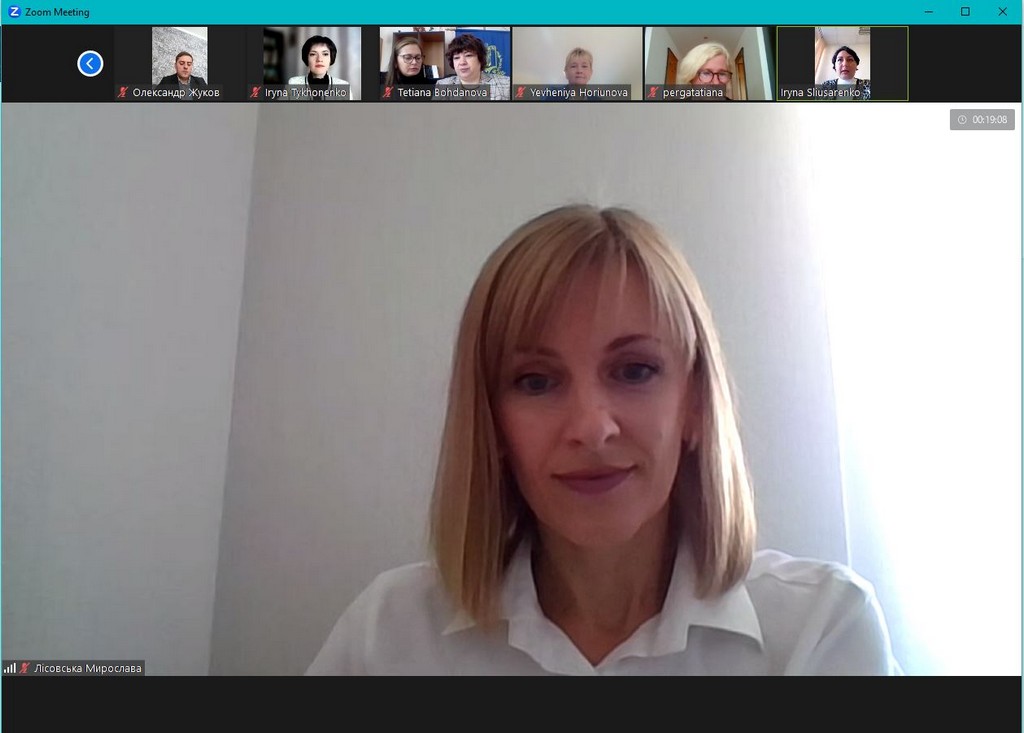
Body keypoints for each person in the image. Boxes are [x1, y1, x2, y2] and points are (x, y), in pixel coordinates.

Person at [306, 205, 901, 675]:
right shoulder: (387, 636)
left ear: (694, 403)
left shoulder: (819, 629)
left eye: (635, 371)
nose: (592, 427)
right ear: (491, 423)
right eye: (536, 382)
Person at [434, 33, 510, 100]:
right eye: (456, 58)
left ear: (480, 59)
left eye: (468, 55)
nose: (462, 62)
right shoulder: (442, 85)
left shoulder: (506, 84)